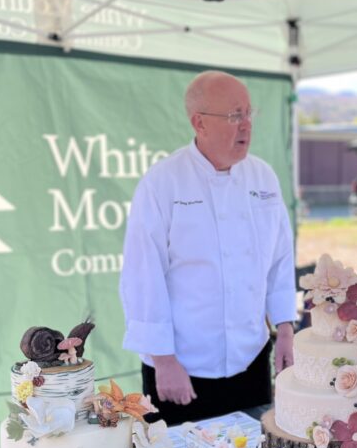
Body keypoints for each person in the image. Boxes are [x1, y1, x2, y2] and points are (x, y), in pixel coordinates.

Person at [120, 70, 296, 425]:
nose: (246, 125)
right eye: (234, 116)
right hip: (182, 369)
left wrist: (286, 327)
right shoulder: (162, 182)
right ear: (199, 123)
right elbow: (143, 275)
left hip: (251, 361)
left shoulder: (263, 177)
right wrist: (164, 361)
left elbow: (279, 259)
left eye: (248, 113)